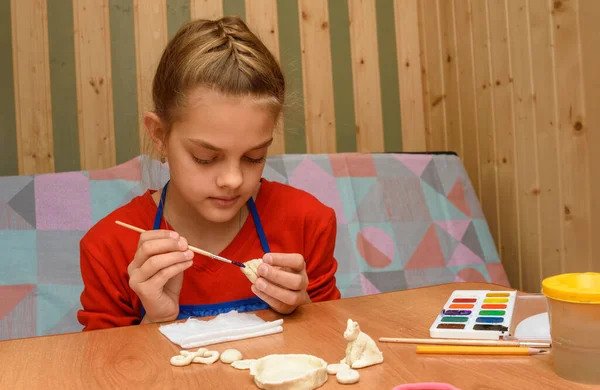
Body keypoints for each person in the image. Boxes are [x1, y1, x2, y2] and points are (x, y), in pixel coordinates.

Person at [77, 16, 341, 331]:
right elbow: (102, 374)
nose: (233, 180)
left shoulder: (308, 223)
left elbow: (337, 347)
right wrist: (156, 321)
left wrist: (303, 310)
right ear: (159, 134)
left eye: (254, 157)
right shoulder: (109, 246)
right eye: (205, 158)